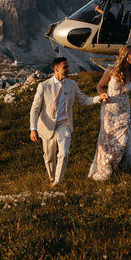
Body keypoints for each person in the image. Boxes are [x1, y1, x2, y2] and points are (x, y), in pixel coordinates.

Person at [30, 57, 105, 186]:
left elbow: (84, 100)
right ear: (56, 69)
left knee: (64, 153)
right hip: (47, 126)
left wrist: (99, 98)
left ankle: (57, 183)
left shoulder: (72, 85)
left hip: (64, 124)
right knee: (49, 157)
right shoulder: (43, 86)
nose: (68, 69)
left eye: (68, 66)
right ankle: (52, 177)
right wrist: (33, 129)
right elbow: (35, 109)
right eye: (65, 67)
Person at [88, 45, 131, 181]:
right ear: (124, 56)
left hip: (124, 110)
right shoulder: (111, 71)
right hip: (109, 110)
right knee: (107, 139)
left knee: (123, 140)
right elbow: (99, 86)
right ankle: (105, 166)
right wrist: (102, 95)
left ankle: (118, 165)